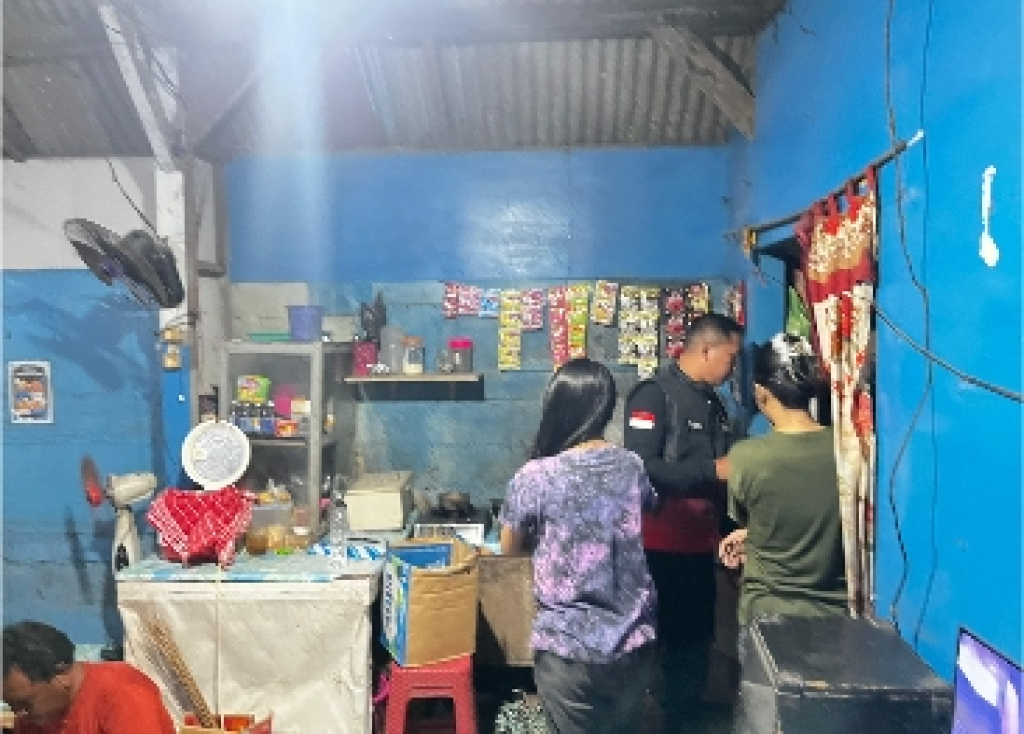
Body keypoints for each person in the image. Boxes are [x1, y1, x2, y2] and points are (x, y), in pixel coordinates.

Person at [500, 357, 658, 734]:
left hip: (568, 648)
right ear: (607, 408)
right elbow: (648, 507)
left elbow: (508, 549)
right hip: (633, 642)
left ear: (555, 407)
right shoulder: (631, 465)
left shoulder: (535, 476)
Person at [623, 312, 744, 724]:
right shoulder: (653, 395)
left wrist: (730, 532)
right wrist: (710, 470)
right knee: (658, 646)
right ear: (706, 350)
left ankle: (682, 719)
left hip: (700, 547)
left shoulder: (715, 403)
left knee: (694, 645)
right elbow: (640, 465)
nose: (732, 368)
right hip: (658, 549)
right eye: (730, 357)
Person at [718, 332, 847, 627]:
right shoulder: (847, 452)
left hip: (766, 613)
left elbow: (761, 517)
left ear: (761, 393)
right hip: (834, 614)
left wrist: (749, 534)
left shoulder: (746, 458)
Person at [2, 620, 175, 733]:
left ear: (61, 674)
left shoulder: (122, 693)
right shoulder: (33, 720)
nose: (18, 714)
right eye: (11, 705)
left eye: (25, 704)